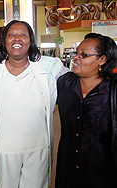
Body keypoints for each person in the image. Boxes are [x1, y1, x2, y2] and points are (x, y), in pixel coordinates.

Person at [0, 20, 68, 188]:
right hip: (5, 150)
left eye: (23, 35)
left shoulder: (50, 67)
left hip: (38, 148)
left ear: (30, 41)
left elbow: (75, 83)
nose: (17, 39)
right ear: (4, 41)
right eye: (11, 35)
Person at [55, 33, 117, 188]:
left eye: (84, 55)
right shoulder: (65, 84)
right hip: (68, 167)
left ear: (102, 60)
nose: (76, 58)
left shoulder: (112, 90)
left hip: (100, 171)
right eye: (77, 53)